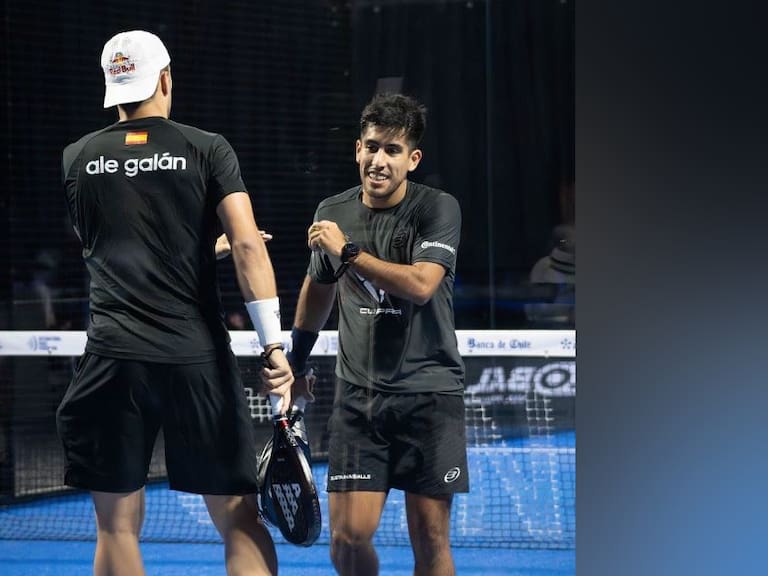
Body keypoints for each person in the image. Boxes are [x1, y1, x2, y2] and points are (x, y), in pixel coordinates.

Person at [55, 30, 293, 576]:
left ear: (112, 88)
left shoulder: (77, 159)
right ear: (165, 78)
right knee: (239, 520)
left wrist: (201, 247)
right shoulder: (208, 148)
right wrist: (273, 347)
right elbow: (251, 244)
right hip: (196, 360)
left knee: (115, 527)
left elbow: (120, 250)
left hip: (112, 360)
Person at [287, 93, 469, 576]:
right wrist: (295, 362)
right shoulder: (332, 210)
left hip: (429, 397)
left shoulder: (438, 209)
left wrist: (348, 251)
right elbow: (318, 289)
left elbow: (422, 286)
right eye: (371, 147)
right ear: (356, 150)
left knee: (430, 542)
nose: (378, 160)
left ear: (413, 159)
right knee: (346, 542)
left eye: (391, 150)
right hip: (358, 401)